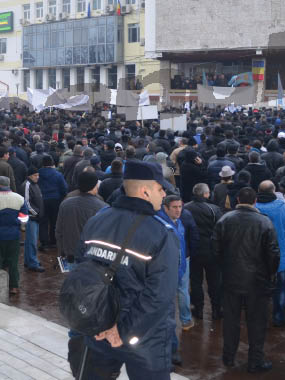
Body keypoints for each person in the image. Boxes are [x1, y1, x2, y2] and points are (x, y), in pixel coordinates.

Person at [67, 161, 179, 379]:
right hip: (145, 337)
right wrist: (123, 331)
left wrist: (98, 323)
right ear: (145, 191)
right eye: (160, 188)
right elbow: (160, 295)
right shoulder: (162, 233)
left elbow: (81, 272)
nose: (164, 193)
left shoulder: (97, 221)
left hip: (98, 328)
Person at [213, 187, 280, 373]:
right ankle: (255, 361)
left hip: (231, 279)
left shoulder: (225, 220)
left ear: (237, 200)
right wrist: (269, 275)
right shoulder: (264, 222)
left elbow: (215, 250)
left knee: (231, 320)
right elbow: (273, 254)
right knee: (257, 322)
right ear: (255, 201)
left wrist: (224, 269)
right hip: (257, 281)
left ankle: (228, 356)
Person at [255, 180, 285, 327]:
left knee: (259, 289)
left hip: (257, 256)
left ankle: (259, 317)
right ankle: (278, 316)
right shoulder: (284, 208)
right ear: (274, 191)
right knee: (280, 288)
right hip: (280, 255)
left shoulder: (253, 208)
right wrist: (283, 243)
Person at [0, 176, 29, 295]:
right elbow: (24, 218)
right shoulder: (19, 198)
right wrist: (20, 226)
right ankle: (14, 286)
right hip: (13, 235)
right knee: (13, 262)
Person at [157, 194, 188, 365]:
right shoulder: (162, 225)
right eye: (174, 207)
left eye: (180, 207)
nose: (178, 210)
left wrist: (181, 270)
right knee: (167, 318)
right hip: (164, 278)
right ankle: (168, 353)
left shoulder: (178, 223)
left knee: (169, 316)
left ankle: (170, 351)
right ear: (165, 207)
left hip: (175, 274)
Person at [185, 183, 223, 321]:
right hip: (211, 250)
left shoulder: (186, 208)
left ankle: (198, 308)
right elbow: (220, 229)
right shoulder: (214, 209)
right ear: (206, 194)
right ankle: (216, 309)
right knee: (214, 281)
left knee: (195, 281)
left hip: (194, 250)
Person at [56, 170, 107, 269]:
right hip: (92, 256)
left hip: (70, 253)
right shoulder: (103, 207)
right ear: (94, 186)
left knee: (71, 281)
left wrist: (61, 251)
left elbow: (59, 230)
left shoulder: (65, 204)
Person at [37, 155, 68, 249]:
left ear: (42, 164)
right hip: (55, 200)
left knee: (43, 221)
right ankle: (53, 240)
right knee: (54, 220)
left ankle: (43, 241)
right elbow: (64, 188)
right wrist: (62, 197)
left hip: (42, 200)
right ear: (52, 164)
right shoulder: (58, 174)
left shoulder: (38, 174)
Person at [18, 167, 45, 272]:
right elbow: (26, 203)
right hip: (31, 217)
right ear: (29, 176)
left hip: (36, 217)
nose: (37, 177)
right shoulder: (27, 185)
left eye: (38, 175)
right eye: (35, 175)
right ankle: (32, 262)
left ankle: (29, 260)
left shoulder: (35, 185)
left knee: (32, 240)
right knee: (32, 241)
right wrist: (36, 213)